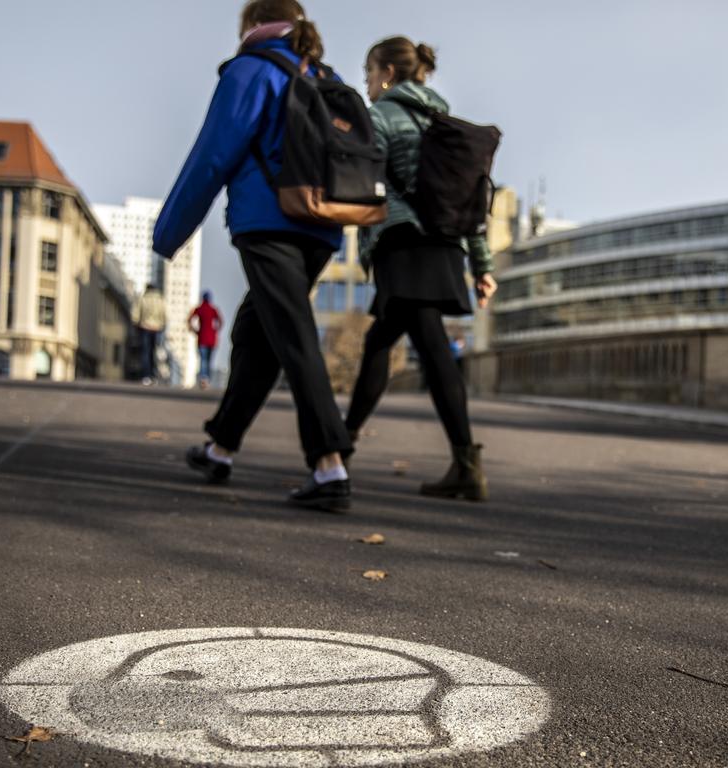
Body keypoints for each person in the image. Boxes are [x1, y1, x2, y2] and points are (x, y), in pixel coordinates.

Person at [152, 0, 353, 511]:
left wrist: (168, 234)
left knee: (292, 334)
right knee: (256, 333)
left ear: (252, 24)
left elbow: (212, 155)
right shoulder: (322, 72)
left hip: (269, 223)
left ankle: (329, 464)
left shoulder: (251, 70)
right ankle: (220, 447)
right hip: (322, 226)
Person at [343, 36, 498, 502]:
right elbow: (466, 200)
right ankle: (337, 447)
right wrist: (482, 264)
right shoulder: (443, 120)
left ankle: (465, 464)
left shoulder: (380, 116)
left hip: (402, 242)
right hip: (445, 245)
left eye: (369, 72)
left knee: (429, 346)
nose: (367, 83)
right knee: (381, 342)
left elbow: (362, 182)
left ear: (388, 72)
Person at [132, 283, 166, 386]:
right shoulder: (161, 299)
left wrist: (136, 323)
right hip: (157, 328)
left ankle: (146, 376)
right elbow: (164, 314)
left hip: (145, 327)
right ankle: (152, 375)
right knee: (153, 351)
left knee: (145, 352)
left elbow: (135, 313)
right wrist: (162, 324)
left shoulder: (143, 298)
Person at [189, 291, 223, 389]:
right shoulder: (214, 310)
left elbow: (189, 319)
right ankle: (206, 379)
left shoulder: (199, 309)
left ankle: (204, 378)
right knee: (208, 360)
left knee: (203, 360)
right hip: (212, 339)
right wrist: (216, 330)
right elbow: (221, 321)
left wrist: (194, 330)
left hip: (202, 338)